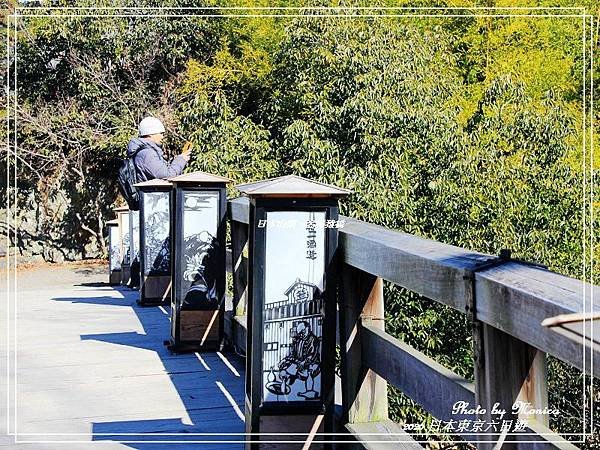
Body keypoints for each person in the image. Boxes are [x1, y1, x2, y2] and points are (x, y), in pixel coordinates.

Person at [127, 116, 191, 182]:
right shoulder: (147, 154)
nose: (162, 137)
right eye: (160, 133)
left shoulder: (145, 152)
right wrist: (181, 159)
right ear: (150, 134)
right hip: (152, 191)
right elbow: (168, 175)